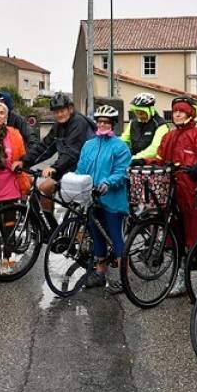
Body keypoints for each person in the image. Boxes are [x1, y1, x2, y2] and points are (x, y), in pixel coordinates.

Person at [145, 96, 197, 296]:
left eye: (182, 111)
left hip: (194, 196)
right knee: (176, 239)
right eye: (175, 111)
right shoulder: (169, 137)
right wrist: (144, 160)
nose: (177, 114)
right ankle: (180, 279)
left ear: (190, 114)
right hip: (173, 194)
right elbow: (161, 159)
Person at [16, 92, 95, 232]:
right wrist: (24, 162)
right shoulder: (58, 126)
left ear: (70, 109)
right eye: (56, 112)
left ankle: (79, 236)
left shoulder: (79, 123)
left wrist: (54, 168)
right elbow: (45, 146)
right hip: (67, 166)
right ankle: (51, 230)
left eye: (62, 110)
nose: (60, 114)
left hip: (85, 169)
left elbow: (71, 152)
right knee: (44, 189)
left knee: (79, 208)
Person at [77, 105, 131, 291]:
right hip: (92, 199)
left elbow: (122, 172)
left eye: (107, 122)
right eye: (100, 122)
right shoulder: (88, 145)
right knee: (96, 236)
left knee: (116, 237)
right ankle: (100, 273)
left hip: (113, 199)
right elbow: (81, 169)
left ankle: (125, 280)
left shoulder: (120, 146)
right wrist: (73, 182)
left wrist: (108, 183)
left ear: (113, 125)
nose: (103, 125)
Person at [0, 100, 29, 273]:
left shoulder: (14, 134)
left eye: (2, 113)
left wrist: (21, 161)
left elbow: (23, 155)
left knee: (8, 224)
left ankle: (8, 256)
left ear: (6, 117)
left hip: (11, 184)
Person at [121, 92, 169, 161]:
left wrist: (134, 158)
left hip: (152, 163)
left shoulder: (160, 125)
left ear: (150, 110)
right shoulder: (133, 122)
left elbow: (155, 149)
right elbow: (123, 140)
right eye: (136, 112)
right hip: (135, 161)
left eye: (142, 113)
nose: (139, 116)